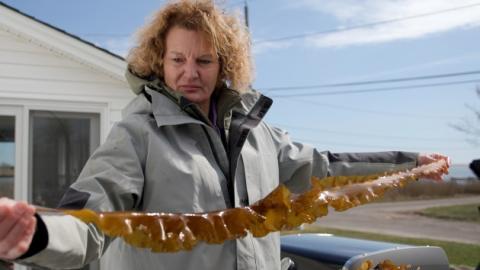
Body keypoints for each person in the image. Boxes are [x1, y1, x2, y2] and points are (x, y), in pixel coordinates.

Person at [0, 1, 449, 269]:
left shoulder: (260, 137)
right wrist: (38, 235)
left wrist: (412, 162)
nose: (188, 74)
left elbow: (328, 167)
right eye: (178, 60)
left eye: (204, 61)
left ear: (224, 66)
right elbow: (89, 217)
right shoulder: (137, 135)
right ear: (160, 60)